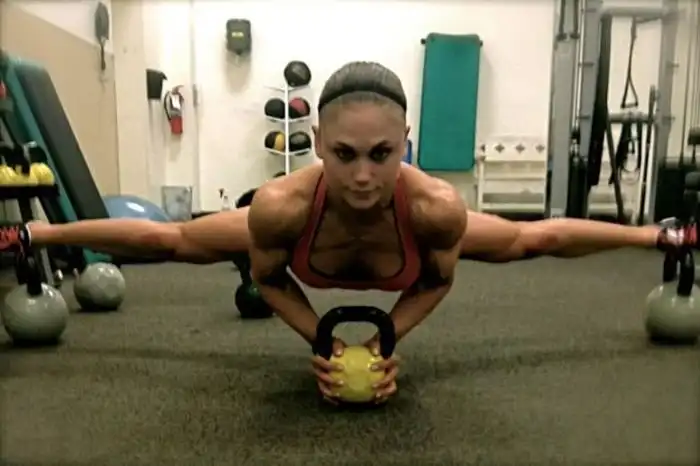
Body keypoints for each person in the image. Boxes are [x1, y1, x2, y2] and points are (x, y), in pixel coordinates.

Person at [0, 61, 695, 404]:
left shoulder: (435, 210)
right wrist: (325, 340)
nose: (363, 175)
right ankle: (35, 237)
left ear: (406, 142)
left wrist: (386, 340)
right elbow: (269, 278)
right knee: (177, 240)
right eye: (344, 154)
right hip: (296, 234)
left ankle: (661, 238)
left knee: (526, 240)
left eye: (382, 154)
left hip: (408, 236)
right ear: (316, 143)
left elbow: (437, 279)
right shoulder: (278, 208)